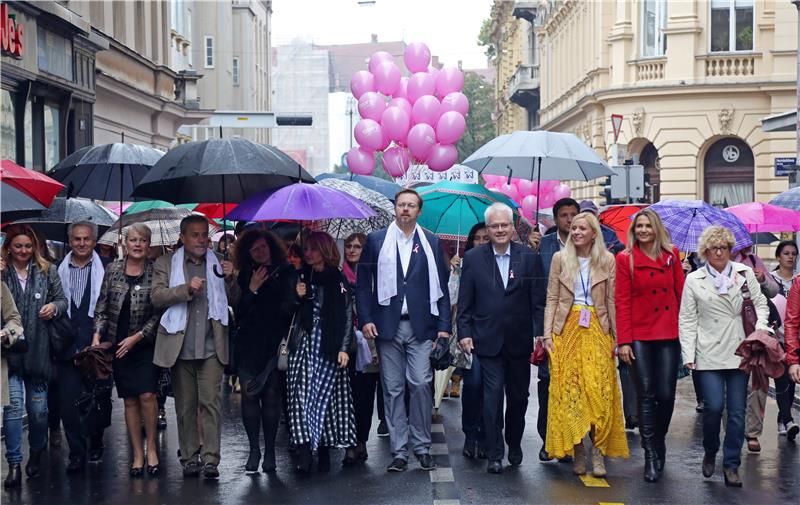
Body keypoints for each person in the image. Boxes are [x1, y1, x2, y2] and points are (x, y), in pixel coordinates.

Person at [356, 189, 451, 473]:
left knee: (421, 383)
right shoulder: (376, 241)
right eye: (401, 205)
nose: (405, 210)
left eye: (411, 206)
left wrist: (444, 329)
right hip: (387, 324)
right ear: (394, 209)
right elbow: (362, 284)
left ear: (419, 211)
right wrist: (365, 318)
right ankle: (399, 451)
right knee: (393, 389)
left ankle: (421, 446)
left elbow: (442, 288)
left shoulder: (431, 242)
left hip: (422, 325)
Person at [679, 225, 770, 488]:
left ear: (730, 250)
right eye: (713, 248)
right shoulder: (694, 279)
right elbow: (687, 318)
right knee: (714, 407)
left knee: (738, 411)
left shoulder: (744, 274)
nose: (718, 252)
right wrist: (688, 352)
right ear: (705, 251)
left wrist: (761, 330)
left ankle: (731, 464)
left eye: (723, 248)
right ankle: (710, 449)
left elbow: (760, 304)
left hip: (741, 348)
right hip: (707, 350)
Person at [458, 203, 545, 474]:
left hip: (519, 342)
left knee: (518, 398)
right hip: (487, 340)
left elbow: (538, 301)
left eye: (504, 225)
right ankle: (495, 453)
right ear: (488, 228)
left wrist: (539, 333)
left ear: (512, 227)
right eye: (494, 226)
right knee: (491, 399)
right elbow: (465, 302)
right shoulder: (473, 258)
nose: (499, 230)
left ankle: (514, 442)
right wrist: (465, 334)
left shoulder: (529, 257)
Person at [542, 212, 628, 478]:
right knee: (571, 393)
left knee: (600, 393)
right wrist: (547, 335)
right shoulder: (560, 259)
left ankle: (598, 450)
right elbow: (552, 298)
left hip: (598, 329)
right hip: (566, 330)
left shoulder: (607, 260)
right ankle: (578, 448)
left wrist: (618, 337)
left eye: (582, 228)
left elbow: (613, 300)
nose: (576, 232)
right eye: (574, 228)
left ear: (594, 233)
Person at [151, 215, 236, 480]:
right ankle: (189, 457)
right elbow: (156, 297)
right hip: (180, 344)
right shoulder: (166, 263)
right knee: (186, 406)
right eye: (195, 235)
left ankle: (211, 459)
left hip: (212, 344)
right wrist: (184, 289)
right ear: (183, 237)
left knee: (211, 403)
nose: (201, 240)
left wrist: (231, 278)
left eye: (204, 235)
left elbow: (235, 301)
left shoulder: (219, 264)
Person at [614, 209, 684, 482]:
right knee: (645, 393)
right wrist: (624, 341)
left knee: (666, 394)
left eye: (647, 226)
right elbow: (622, 301)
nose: (643, 230)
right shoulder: (625, 259)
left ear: (656, 229)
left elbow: (681, 294)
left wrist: (685, 334)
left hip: (668, 331)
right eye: (639, 226)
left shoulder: (670, 256)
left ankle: (659, 439)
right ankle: (650, 453)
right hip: (640, 334)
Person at [1, 225, 68, 487]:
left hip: (39, 350)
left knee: (38, 411)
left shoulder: (47, 271)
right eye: (18, 246)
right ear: (9, 247)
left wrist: (54, 307)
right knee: (14, 409)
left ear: (35, 247)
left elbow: (62, 300)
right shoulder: (2, 272)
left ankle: (37, 449)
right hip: (10, 353)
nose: (23, 251)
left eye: (28, 246)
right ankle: (14, 462)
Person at [92, 224, 161, 477]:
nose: (138, 244)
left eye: (143, 240)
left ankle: (151, 448)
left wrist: (138, 337)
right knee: (130, 400)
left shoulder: (156, 272)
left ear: (148, 243)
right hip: (118, 345)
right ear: (125, 242)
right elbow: (102, 307)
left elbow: (159, 314)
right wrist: (97, 333)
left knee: (147, 396)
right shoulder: (112, 270)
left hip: (144, 344)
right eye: (133, 240)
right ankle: (137, 454)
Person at [229, 230, 297, 473]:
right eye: (254, 249)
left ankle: (269, 451)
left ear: (271, 247)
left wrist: (294, 296)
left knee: (271, 397)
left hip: (275, 343)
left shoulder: (287, 271)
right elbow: (239, 310)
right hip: (249, 343)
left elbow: (290, 307)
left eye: (263, 247)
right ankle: (253, 449)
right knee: (249, 396)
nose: (260, 252)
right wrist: (253, 288)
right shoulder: (246, 274)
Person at [288, 231, 356, 474]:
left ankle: (324, 448)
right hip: (304, 342)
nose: (308, 253)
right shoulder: (300, 277)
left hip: (328, 345)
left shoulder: (337, 279)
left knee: (326, 397)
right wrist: (297, 297)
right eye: (306, 249)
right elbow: (287, 310)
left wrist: (343, 348)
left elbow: (347, 314)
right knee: (301, 396)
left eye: (313, 249)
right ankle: (305, 449)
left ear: (325, 251)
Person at [55, 221, 110, 473]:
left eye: (86, 239)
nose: (81, 243)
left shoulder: (107, 270)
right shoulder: (57, 270)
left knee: (98, 398)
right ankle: (76, 452)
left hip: (96, 347)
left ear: (94, 241)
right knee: (68, 402)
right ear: (70, 240)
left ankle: (96, 440)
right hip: (66, 348)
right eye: (76, 239)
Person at [533, 197, 579, 463]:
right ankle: (548, 438)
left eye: (574, 214)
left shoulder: (589, 244)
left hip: (580, 325)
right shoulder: (544, 246)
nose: (570, 220)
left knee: (574, 385)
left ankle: (570, 439)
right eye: (564, 215)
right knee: (548, 382)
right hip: (551, 326)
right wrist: (540, 330)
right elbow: (538, 290)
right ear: (556, 218)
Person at [732, 245, 778, 454]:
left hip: (754, 327)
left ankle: (753, 432)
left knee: (758, 382)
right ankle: (732, 428)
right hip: (728, 332)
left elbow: (773, 291)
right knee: (731, 385)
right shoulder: (713, 264)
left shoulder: (753, 260)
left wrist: (762, 280)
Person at [341, 232, 382, 466]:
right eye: (349, 246)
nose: (353, 250)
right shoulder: (339, 276)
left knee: (365, 395)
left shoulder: (374, 277)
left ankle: (361, 441)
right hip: (347, 343)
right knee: (346, 395)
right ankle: (348, 443)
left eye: (358, 246)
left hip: (369, 343)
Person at [449, 222, 490, 460]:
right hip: (470, 334)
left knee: (492, 389)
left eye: (486, 238)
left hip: (494, 335)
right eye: (478, 238)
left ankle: (488, 434)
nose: (482, 243)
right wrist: (454, 272)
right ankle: (470, 433)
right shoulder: (464, 265)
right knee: (473, 385)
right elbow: (454, 298)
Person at [768, 241, 799, 441]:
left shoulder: (797, 280)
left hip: (794, 335)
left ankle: (784, 416)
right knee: (781, 377)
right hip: (776, 334)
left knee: (792, 379)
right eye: (786, 253)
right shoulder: (770, 280)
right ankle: (786, 419)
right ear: (779, 256)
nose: (790, 257)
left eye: (794, 254)